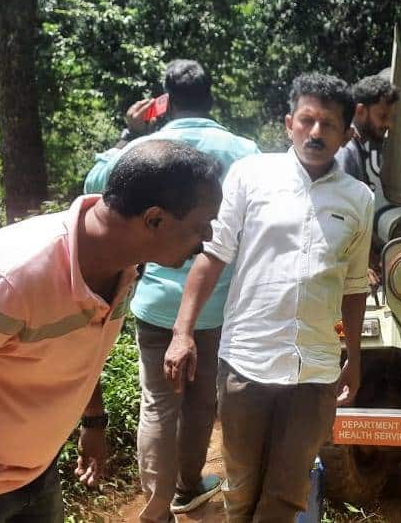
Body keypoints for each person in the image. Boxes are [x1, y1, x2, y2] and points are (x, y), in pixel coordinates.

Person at [0, 140, 223, 523]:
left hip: (38, 473)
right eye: (201, 224)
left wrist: (93, 420)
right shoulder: (13, 273)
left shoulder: (124, 263)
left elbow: (83, 345)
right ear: (154, 220)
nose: (207, 239)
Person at [164, 73, 373, 523]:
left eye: (328, 125)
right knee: (240, 490)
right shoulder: (250, 176)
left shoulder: (359, 198)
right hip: (246, 363)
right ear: (288, 123)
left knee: (286, 494)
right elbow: (212, 257)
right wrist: (182, 332)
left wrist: (353, 358)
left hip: (315, 372)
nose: (315, 133)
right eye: (307, 120)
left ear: (345, 134)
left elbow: (354, 287)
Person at [85, 59, 259, 522]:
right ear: (211, 95)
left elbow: (95, 186)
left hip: (156, 302)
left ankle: (156, 506)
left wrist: (129, 134)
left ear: (165, 99)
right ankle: (187, 486)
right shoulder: (244, 150)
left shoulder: (143, 147)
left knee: (159, 401)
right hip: (217, 302)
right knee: (202, 398)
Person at [335, 73, 399, 292]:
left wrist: (385, 250)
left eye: (392, 117)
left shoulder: (359, 149)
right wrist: (359, 266)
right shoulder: (346, 152)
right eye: (382, 116)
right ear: (360, 111)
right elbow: (341, 218)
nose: (388, 124)